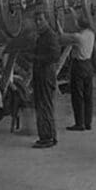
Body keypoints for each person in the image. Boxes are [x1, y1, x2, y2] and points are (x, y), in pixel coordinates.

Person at [58, 11, 96, 131]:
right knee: (88, 95)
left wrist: (57, 22)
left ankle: (79, 123)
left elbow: (62, 36)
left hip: (79, 66)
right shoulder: (91, 34)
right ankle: (88, 123)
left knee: (77, 95)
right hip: (89, 65)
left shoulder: (78, 37)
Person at [30, 11, 61, 148]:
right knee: (43, 105)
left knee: (44, 106)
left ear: (47, 20)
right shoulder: (42, 36)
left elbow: (54, 55)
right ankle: (48, 136)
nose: (38, 22)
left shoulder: (50, 36)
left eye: (40, 20)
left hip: (45, 75)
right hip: (41, 74)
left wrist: (36, 58)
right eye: (36, 20)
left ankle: (47, 137)